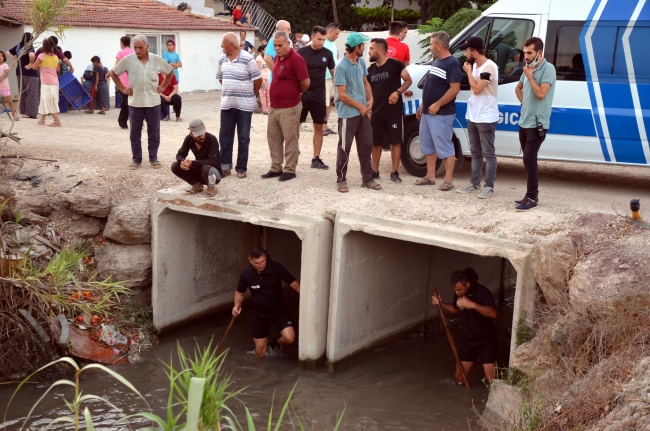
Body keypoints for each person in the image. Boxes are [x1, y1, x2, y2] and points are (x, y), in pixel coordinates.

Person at [110, 34, 173, 170]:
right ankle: (136, 159)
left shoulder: (156, 59)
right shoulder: (127, 60)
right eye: (135, 47)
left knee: (154, 132)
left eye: (140, 47)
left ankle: (153, 158)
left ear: (147, 46)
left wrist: (163, 86)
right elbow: (114, 73)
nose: (137, 50)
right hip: (135, 102)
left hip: (153, 102)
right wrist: (122, 88)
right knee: (135, 133)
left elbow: (170, 71)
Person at [431, 269, 499, 385]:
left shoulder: (483, 292)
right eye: (455, 290)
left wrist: (472, 305)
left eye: (459, 289)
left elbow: (493, 313)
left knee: (492, 381)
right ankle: (468, 397)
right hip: (468, 340)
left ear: (467, 284)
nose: (457, 292)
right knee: (459, 376)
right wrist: (440, 304)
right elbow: (455, 310)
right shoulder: (458, 293)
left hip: (486, 340)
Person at [232, 246, 300, 358]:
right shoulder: (246, 274)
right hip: (259, 314)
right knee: (260, 351)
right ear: (250, 260)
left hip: (279, 310)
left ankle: (275, 344)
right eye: (257, 263)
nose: (261, 264)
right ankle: (260, 373)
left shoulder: (276, 268)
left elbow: (295, 285)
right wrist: (236, 305)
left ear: (265, 256)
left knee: (290, 338)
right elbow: (240, 292)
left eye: (263, 261)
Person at [415, 31, 461, 191]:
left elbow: (455, 89)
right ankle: (430, 176)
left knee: (445, 145)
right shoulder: (436, 62)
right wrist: (423, 105)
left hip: (442, 114)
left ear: (439, 46)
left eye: (431, 44)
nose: (430, 47)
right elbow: (431, 86)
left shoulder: (452, 63)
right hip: (428, 112)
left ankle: (448, 180)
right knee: (428, 145)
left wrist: (438, 104)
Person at [334, 32, 379, 193]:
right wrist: (360, 107)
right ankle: (341, 180)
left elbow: (365, 82)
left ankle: (367, 179)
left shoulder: (360, 63)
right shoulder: (341, 66)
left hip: (363, 113)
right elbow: (342, 94)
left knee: (366, 146)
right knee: (345, 147)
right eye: (363, 45)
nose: (365, 48)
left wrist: (370, 99)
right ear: (356, 47)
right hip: (348, 114)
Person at [514, 37, 556, 211]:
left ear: (539, 53)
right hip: (524, 122)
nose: (526, 56)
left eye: (529, 53)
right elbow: (517, 88)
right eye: (524, 53)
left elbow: (541, 94)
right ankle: (529, 194)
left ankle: (532, 197)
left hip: (538, 124)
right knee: (528, 160)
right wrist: (525, 105)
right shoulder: (527, 69)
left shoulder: (548, 69)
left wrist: (530, 76)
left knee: (529, 159)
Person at [262, 31, 309, 182]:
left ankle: (290, 169)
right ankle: (276, 168)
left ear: (288, 44)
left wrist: (294, 93)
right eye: (275, 45)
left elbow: (305, 83)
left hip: (290, 106)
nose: (276, 48)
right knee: (273, 138)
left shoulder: (296, 59)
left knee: (290, 138)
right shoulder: (278, 58)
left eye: (280, 45)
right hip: (274, 106)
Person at [455, 36, 499, 199]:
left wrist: (468, 73)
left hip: (486, 116)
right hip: (473, 114)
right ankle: (474, 183)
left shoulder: (490, 67)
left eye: (466, 50)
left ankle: (489, 186)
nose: (465, 54)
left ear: (474, 52)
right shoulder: (474, 66)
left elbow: (477, 89)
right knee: (475, 152)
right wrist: (470, 71)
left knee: (489, 152)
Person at [216, 32, 262, 179]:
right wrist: (231, 89)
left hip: (244, 106)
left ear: (231, 45)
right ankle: (225, 167)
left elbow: (258, 80)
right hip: (227, 104)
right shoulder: (222, 59)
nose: (221, 45)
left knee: (243, 137)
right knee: (225, 137)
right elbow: (220, 78)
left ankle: (241, 168)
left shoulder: (248, 59)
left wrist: (249, 94)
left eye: (223, 43)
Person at [367, 38, 412, 183]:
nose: (369, 51)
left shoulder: (396, 65)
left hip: (393, 112)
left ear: (380, 50)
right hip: (376, 112)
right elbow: (367, 91)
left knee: (395, 142)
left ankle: (394, 172)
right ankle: (374, 171)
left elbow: (408, 80)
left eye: (371, 49)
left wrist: (397, 93)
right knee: (376, 143)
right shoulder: (370, 70)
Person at [298, 26, 335, 170]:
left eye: (323, 40)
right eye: (319, 39)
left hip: (319, 96)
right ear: (312, 37)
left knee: (319, 126)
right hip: (303, 95)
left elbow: (333, 73)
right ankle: (294, 151)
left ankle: (316, 158)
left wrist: (337, 91)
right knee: (297, 124)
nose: (321, 42)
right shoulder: (302, 52)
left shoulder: (328, 53)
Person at [171, 119, 222, 197]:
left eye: (202, 133)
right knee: (175, 166)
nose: (201, 136)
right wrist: (183, 162)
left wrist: (192, 163)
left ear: (204, 129)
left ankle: (211, 187)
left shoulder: (212, 139)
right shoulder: (189, 139)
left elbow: (214, 161)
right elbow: (179, 155)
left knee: (206, 168)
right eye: (197, 135)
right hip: (200, 171)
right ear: (191, 134)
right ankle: (197, 185)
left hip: (213, 173)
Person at [29, 38, 61, 127]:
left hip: (46, 82)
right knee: (45, 99)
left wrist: (39, 64)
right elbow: (58, 69)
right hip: (54, 82)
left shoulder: (41, 56)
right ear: (53, 47)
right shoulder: (56, 57)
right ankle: (42, 119)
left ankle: (57, 121)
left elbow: (34, 67)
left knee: (48, 101)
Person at [7, 33, 39, 119]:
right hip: (30, 73)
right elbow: (32, 55)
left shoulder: (18, 47)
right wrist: (31, 63)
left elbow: (8, 53)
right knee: (32, 93)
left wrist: (17, 59)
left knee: (23, 92)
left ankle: (24, 111)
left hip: (20, 72)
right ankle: (29, 113)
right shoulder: (29, 47)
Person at [323, 22, 341, 136]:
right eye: (336, 34)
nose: (337, 36)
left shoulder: (333, 44)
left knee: (328, 103)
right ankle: (320, 126)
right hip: (323, 77)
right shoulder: (321, 42)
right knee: (323, 103)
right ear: (330, 31)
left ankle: (325, 125)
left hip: (331, 77)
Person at [115, 36, 135, 129]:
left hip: (122, 81)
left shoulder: (120, 53)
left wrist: (109, 74)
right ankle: (122, 121)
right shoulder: (134, 52)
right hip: (133, 79)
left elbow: (116, 67)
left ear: (122, 43)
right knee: (125, 102)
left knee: (127, 102)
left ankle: (135, 121)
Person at [0, 51, 18, 120]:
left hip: (4, 87)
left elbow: (6, 75)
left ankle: (14, 114)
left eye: (2, 56)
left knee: (9, 102)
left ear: (4, 58)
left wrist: (4, 74)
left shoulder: (5, 65)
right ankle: (1, 107)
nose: (0, 57)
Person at [256, 45, 270, 114]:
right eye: (265, 50)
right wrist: (261, 81)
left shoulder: (269, 57)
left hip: (269, 78)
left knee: (269, 94)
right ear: (262, 50)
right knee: (263, 95)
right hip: (262, 78)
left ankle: (269, 108)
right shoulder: (259, 58)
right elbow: (258, 70)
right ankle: (265, 109)